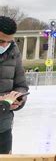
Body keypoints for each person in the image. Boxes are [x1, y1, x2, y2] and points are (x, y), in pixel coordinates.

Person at [0, 16, 29, 154]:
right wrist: (3, 102)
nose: (4, 45)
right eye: (1, 41)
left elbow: (21, 84)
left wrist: (19, 99)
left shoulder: (13, 50)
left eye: (9, 41)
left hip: (3, 125)